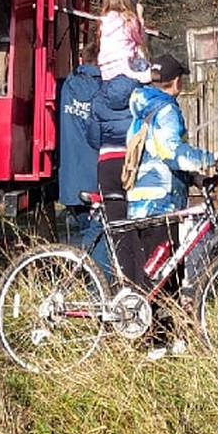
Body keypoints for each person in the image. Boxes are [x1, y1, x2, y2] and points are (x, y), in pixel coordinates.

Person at [126, 53, 218, 358]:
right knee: (162, 276)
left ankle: (165, 339)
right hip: (159, 202)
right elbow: (171, 152)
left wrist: (196, 179)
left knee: (164, 272)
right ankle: (155, 344)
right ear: (178, 82)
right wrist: (210, 159)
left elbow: (156, 152)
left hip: (143, 200)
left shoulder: (144, 103)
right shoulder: (166, 109)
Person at [89, 68, 144, 286]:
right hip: (132, 163)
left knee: (118, 228)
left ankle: (124, 286)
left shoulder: (99, 98)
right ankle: (140, 286)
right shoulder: (139, 93)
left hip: (107, 164)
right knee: (139, 225)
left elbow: (93, 138)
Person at [56, 45, 108, 273]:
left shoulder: (66, 87)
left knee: (87, 231)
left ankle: (92, 281)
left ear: (81, 59)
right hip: (96, 179)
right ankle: (96, 289)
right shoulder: (105, 92)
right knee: (97, 236)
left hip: (69, 179)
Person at [96, 0, 150, 82]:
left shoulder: (103, 21)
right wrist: (140, 16)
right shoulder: (127, 20)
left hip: (105, 68)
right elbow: (140, 38)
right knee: (151, 73)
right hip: (124, 65)